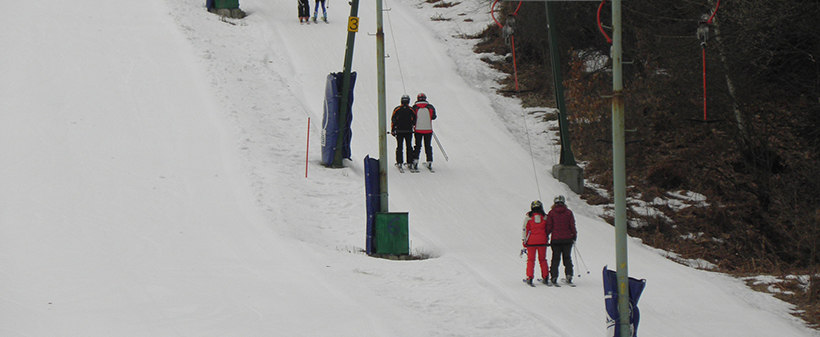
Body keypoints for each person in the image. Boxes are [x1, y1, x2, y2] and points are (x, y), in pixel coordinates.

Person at [546, 195, 577, 286]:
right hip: (567, 239)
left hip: (556, 239)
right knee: (567, 258)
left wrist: (546, 235)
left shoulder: (551, 213)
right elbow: (572, 225)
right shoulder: (569, 213)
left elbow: (549, 226)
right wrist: (574, 236)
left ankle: (554, 276)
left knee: (555, 258)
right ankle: (569, 274)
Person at [522, 200, 549, 286]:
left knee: (531, 260)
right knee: (542, 259)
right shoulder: (545, 217)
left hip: (531, 241)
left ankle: (529, 277)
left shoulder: (528, 217)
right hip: (542, 241)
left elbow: (525, 229)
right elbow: (548, 229)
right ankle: (545, 277)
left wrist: (524, 241)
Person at [411, 93, 436, 170]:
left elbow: (412, 118)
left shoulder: (415, 107)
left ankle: (415, 161)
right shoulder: (430, 107)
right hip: (428, 129)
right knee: (428, 146)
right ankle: (429, 161)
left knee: (418, 145)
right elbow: (434, 117)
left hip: (418, 129)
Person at [391, 95, 416, 170]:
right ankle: (410, 162)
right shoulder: (411, 109)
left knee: (399, 146)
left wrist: (392, 130)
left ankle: (399, 162)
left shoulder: (397, 109)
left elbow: (393, 120)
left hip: (399, 131)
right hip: (409, 131)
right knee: (409, 146)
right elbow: (414, 120)